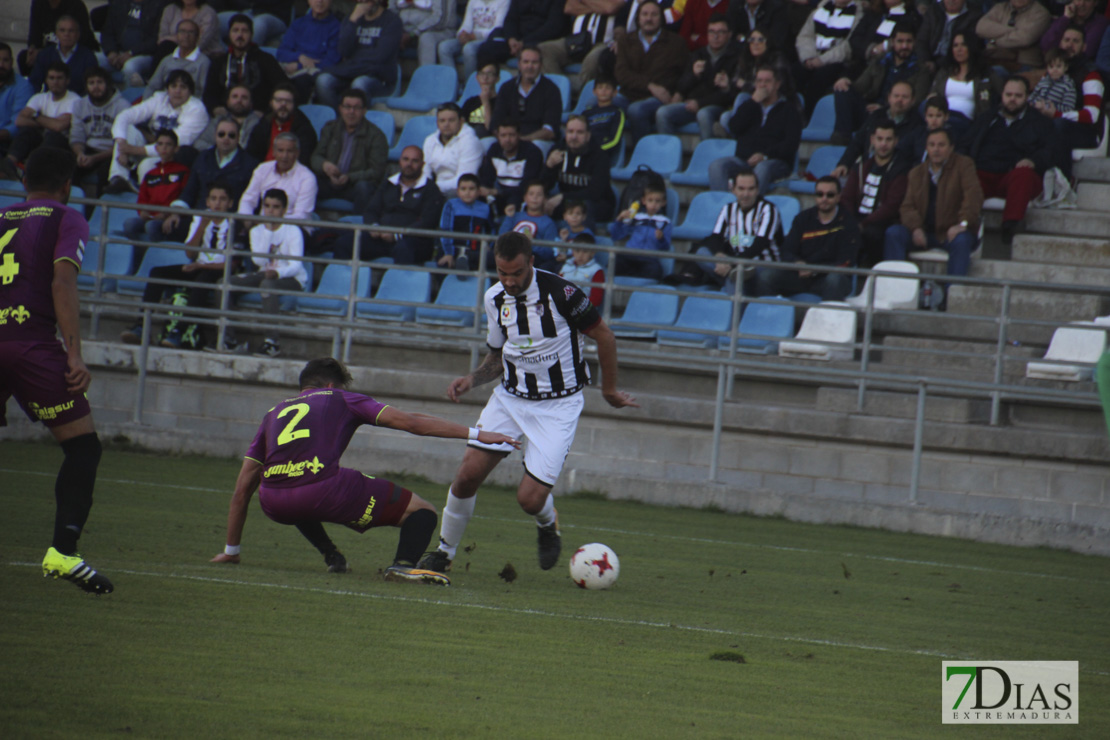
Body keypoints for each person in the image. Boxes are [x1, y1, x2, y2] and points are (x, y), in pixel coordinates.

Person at [416, 231, 638, 575]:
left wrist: (609, 392)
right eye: (502, 273)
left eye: (516, 273)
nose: (509, 281)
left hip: (558, 406)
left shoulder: (563, 293)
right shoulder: (494, 298)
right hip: (510, 399)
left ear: (531, 262)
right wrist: (472, 379)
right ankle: (444, 552)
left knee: (529, 500)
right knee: (466, 475)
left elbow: (605, 336)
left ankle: (548, 524)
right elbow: (497, 354)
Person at [210, 356, 521, 583]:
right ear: (332, 386)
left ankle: (332, 555)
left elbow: (242, 488)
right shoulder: (340, 398)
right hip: (323, 491)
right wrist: (479, 434)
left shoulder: (273, 412)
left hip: (274, 501)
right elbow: (411, 423)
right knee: (422, 512)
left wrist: (232, 548)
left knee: (296, 493)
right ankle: (402, 565)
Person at [0, 147, 113, 595]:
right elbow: (62, 282)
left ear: (24, 180)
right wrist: (74, 354)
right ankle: (63, 553)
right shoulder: (67, 216)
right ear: (67, 183)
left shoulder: (2, 217)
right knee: (83, 450)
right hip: (31, 345)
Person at [120, 181, 235, 348]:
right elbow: (190, 253)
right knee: (157, 273)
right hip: (198, 265)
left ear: (230, 203)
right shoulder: (200, 217)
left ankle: (178, 332)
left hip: (217, 270)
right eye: (213, 199)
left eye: (222, 199)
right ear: (207, 202)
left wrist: (201, 266)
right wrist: (202, 226)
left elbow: (231, 265)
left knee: (202, 280)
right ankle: (141, 325)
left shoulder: (234, 222)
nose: (217, 203)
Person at [960, 76, 1053, 245]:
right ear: (1002, 95)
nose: (1012, 99)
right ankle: (965, 229)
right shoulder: (987, 118)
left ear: (1026, 97)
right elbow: (965, 145)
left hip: (1013, 176)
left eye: (1018, 96)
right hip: (984, 173)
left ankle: (1010, 226)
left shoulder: (1040, 123)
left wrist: (1033, 161)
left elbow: (1051, 151)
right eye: (1008, 94)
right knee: (966, 178)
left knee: (1023, 174)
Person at [884, 128, 982, 280]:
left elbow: (973, 197)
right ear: (926, 148)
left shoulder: (964, 166)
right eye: (932, 145)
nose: (936, 150)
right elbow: (907, 206)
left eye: (941, 145)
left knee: (962, 241)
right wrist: (915, 228)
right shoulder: (916, 173)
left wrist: (962, 224)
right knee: (894, 233)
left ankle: (952, 294)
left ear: (951, 147)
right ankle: (897, 289)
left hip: (952, 233)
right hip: (924, 233)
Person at [225, 187, 307, 357]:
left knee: (267, 284)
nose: (270, 211)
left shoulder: (293, 230)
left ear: (284, 210)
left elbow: (296, 265)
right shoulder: (256, 231)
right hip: (266, 273)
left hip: (292, 278)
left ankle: (272, 342)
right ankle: (228, 339)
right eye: (267, 206)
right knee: (226, 284)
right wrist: (268, 231)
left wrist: (277, 273)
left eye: (276, 207)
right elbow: (258, 261)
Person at [670, 170, 784, 288]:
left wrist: (731, 263)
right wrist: (719, 256)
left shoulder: (768, 209)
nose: (746, 194)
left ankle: (731, 278)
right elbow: (716, 237)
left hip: (763, 266)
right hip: (735, 265)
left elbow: (760, 243)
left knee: (735, 279)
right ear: (733, 190)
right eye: (741, 189)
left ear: (757, 190)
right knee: (702, 252)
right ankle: (732, 276)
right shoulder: (728, 209)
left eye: (751, 189)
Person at [754, 175, 859, 299]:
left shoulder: (849, 223)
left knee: (834, 280)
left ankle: (826, 318)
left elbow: (846, 262)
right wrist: (797, 263)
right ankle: (771, 315)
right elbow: (786, 250)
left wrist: (814, 269)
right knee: (766, 277)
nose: (824, 199)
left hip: (830, 277)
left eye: (830, 195)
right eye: (820, 194)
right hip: (801, 276)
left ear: (838, 197)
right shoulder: (803, 218)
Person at [335, 145, 444, 263]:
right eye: (405, 159)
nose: (409, 164)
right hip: (380, 238)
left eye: (415, 161)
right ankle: (347, 280)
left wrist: (397, 235)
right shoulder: (388, 183)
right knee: (344, 243)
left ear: (422, 164)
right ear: (399, 161)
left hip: (412, 241)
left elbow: (427, 222)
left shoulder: (431, 189)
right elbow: (371, 210)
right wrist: (374, 228)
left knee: (404, 249)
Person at [106, 69, 208, 192]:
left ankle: (146, 197)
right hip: (150, 146)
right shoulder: (160, 98)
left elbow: (175, 143)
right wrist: (122, 146)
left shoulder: (197, 109)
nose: (177, 91)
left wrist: (134, 150)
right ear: (167, 89)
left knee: (146, 165)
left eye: (183, 87)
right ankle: (118, 178)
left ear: (190, 91)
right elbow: (124, 116)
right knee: (128, 130)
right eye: (173, 86)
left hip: (174, 155)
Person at [707, 65, 801, 194]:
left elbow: (791, 144)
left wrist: (765, 156)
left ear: (777, 84)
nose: (762, 85)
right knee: (717, 166)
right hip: (744, 161)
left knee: (762, 168)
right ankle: (724, 208)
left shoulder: (789, 110)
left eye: (767, 81)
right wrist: (753, 102)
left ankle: (752, 209)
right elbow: (734, 127)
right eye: (759, 81)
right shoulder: (749, 105)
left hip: (774, 162)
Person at [832, 22, 928, 140]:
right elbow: (860, 86)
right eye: (900, 41)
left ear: (914, 43)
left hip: (894, 115)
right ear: (892, 42)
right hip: (869, 111)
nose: (904, 46)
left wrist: (885, 108)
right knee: (843, 90)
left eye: (909, 42)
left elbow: (916, 100)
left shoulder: (921, 69)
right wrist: (845, 80)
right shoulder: (881, 61)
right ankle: (842, 137)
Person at [656, 14, 743, 141]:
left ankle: (707, 156)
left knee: (704, 114)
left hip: (718, 106)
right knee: (663, 113)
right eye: (711, 32)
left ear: (729, 34)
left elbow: (731, 94)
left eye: (720, 32)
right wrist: (693, 75)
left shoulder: (736, 57)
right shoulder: (698, 54)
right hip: (692, 104)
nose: (715, 36)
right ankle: (668, 154)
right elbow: (681, 86)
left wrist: (701, 103)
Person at [615, 0, 690, 143]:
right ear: (638, 18)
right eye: (645, 14)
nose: (649, 18)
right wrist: (650, 85)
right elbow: (622, 73)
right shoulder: (626, 40)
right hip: (629, 94)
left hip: (660, 97)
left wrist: (678, 93)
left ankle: (645, 155)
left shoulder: (676, 42)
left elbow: (683, 73)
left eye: (654, 14)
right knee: (599, 103)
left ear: (661, 18)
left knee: (636, 110)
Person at [838, 119, 909, 267]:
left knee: (871, 234)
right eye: (880, 139)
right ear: (872, 140)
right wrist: (852, 222)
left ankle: (869, 273)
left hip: (882, 223)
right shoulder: (861, 165)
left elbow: (891, 207)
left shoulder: (901, 168)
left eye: (888, 139)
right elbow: (847, 198)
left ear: (896, 141)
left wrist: (862, 224)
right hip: (858, 220)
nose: (883, 144)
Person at [315, 0, 402, 108]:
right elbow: (343, 51)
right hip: (351, 74)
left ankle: (360, 123)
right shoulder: (351, 18)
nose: (365, 2)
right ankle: (340, 119)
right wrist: (353, 20)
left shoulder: (392, 20)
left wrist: (354, 61)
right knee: (323, 81)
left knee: (359, 83)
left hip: (379, 78)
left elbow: (380, 56)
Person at [0, 64, 78, 180]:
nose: (55, 82)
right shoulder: (39, 98)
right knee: (26, 131)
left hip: (62, 144)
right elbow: (19, 120)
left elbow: (58, 126)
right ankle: (9, 164)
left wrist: (35, 116)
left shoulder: (75, 100)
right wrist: (47, 122)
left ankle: (29, 169)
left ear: (67, 80)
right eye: (51, 78)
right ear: (46, 80)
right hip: (40, 137)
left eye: (59, 78)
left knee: (53, 136)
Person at [311, 89, 388, 205]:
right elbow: (315, 157)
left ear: (364, 111)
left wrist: (349, 177)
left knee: (364, 188)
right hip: (329, 181)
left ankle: (359, 222)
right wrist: (324, 165)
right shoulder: (330, 128)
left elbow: (377, 171)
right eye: (347, 107)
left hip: (354, 186)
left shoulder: (376, 136)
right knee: (308, 180)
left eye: (356, 108)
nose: (351, 112)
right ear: (340, 109)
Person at [831, 79, 922, 177]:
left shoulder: (918, 124)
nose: (899, 100)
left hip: (896, 176)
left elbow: (916, 157)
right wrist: (844, 164)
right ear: (889, 98)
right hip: (867, 170)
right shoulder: (876, 115)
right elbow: (857, 142)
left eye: (905, 97)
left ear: (913, 101)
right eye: (896, 96)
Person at [202, 13, 287, 114]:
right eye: (235, 30)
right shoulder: (219, 62)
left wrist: (266, 112)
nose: (240, 35)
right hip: (225, 117)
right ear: (229, 34)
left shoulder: (266, 60)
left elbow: (282, 88)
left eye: (244, 31)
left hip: (258, 116)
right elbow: (209, 93)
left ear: (251, 34)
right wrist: (215, 108)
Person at [924, 32, 1001, 142]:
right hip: (940, 117)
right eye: (955, 45)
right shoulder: (945, 71)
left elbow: (1003, 92)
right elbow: (933, 94)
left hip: (964, 121)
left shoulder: (985, 73)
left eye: (963, 45)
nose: (959, 49)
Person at [540, 114, 615, 224]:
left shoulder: (600, 157)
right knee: (538, 203)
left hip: (596, 204)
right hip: (567, 202)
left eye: (579, 132)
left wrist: (563, 196)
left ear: (588, 136)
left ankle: (583, 239)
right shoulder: (557, 150)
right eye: (570, 132)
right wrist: (549, 166)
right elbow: (544, 185)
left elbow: (595, 193)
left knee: (582, 209)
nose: (574, 136)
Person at [795, 0, 864, 116]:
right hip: (812, 56)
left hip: (836, 61)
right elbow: (805, 36)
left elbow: (848, 46)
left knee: (820, 78)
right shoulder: (821, 8)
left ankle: (810, 116)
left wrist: (821, 60)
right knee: (794, 72)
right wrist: (808, 57)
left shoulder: (858, 14)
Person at [122, 129, 190, 245]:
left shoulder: (183, 171)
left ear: (176, 149)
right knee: (129, 224)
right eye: (160, 144)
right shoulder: (151, 174)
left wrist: (167, 214)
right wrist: (142, 211)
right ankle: (138, 258)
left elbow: (184, 197)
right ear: (156, 147)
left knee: (151, 226)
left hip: (167, 217)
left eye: (168, 144)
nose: (164, 148)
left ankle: (155, 256)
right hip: (149, 217)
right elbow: (142, 198)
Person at [536, 0, 630, 82]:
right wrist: (600, 7)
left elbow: (610, 8)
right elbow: (569, 8)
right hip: (576, 41)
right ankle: (558, 89)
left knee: (591, 62)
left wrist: (584, 3)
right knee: (544, 50)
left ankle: (583, 94)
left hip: (603, 43)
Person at [69, 68, 130, 191]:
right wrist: (80, 154)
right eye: (91, 83)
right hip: (88, 149)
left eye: (100, 82)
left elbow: (122, 144)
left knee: (104, 173)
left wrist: (95, 158)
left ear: (108, 84)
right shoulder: (79, 105)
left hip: (112, 152)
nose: (96, 87)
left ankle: (99, 209)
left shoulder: (123, 106)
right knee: (69, 168)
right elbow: (76, 136)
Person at [238, 132, 318, 225]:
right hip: (262, 227)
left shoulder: (307, 177)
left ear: (297, 153)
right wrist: (247, 220)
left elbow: (301, 217)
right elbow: (247, 200)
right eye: (281, 150)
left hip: (293, 229)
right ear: (274, 152)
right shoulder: (263, 169)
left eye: (289, 151)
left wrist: (269, 223)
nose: (284, 156)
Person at [490, 46, 562, 142]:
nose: (530, 66)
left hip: (537, 141)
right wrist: (507, 139)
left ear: (541, 65)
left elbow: (550, 131)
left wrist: (522, 140)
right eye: (526, 62)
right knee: (487, 142)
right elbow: (495, 123)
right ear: (519, 64)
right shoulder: (507, 88)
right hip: (508, 141)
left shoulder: (552, 90)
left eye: (534, 62)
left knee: (537, 145)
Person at [275, 0, 341, 104]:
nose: (320, 1)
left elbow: (331, 61)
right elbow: (281, 53)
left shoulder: (336, 27)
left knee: (302, 81)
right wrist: (299, 57)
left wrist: (299, 66)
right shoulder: (298, 23)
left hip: (314, 71)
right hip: (291, 66)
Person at [478, 120, 544, 217]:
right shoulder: (494, 150)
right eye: (503, 135)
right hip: (499, 194)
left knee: (515, 201)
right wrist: (484, 189)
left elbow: (527, 186)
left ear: (519, 135)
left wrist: (497, 192)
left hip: (521, 196)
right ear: (498, 136)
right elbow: (487, 178)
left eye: (511, 135)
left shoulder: (532, 152)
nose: (507, 140)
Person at [475, 0, 568, 68]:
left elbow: (553, 27)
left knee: (536, 51)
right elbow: (510, 20)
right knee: (486, 49)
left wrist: (524, 43)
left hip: (540, 41)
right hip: (516, 42)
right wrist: (511, 39)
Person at [245, 81, 317, 166]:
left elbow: (303, 160)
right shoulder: (263, 125)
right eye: (278, 100)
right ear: (271, 103)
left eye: (288, 101)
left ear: (294, 104)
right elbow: (251, 155)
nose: (283, 105)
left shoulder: (304, 128)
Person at [21, 0, 99, 78]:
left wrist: (44, 52)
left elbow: (82, 37)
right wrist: (33, 49)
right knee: (25, 58)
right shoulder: (38, 3)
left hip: (75, 50)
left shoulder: (76, 5)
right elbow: (34, 32)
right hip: (49, 48)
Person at [609, 185, 672, 281]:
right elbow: (616, 235)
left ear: (663, 203)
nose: (654, 204)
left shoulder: (665, 222)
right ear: (643, 201)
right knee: (614, 263)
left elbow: (665, 247)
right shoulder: (635, 217)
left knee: (655, 271)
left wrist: (661, 238)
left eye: (657, 201)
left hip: (649, 258)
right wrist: (619, 219)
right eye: (650, 200)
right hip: (630, 254)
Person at [438, 0, 511, 81]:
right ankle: (451, 84)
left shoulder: (504, 1)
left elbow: (498, 29)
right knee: (444, 47)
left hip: (487, 40)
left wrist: (475, 36)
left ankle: (470, 85)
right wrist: (462, 34)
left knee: (469, 49)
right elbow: (466, 25)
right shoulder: (473, 1)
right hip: (470, 37)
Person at [423, 102, 484, 198]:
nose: (446, 124)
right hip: (434, 190)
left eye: (451, 120)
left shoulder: (470, 142)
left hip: (461, 193)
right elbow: (425, 171)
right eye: (442, 121)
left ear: (461, 121)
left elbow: (464, 181)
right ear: (437, 123)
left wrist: (431, 187)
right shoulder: (430, 140)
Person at [101, 0, 168, 88]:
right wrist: (111, 52)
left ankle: (132, 99)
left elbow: (156, 39)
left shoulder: (159, 5)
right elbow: (107, 32)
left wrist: (132, 53)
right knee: (95, 60)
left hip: (145, 55)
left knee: (130, 67)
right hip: (118, 53)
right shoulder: (118, 3)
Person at [27, 15, 98, 96]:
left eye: (71, 31)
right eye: (62, 30)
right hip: (50, 103)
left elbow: (91, 86)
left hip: (78, 104)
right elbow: (34, 83)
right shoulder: (45, 54)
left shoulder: (88, 56)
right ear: (56, 33)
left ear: (78, 34)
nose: (66, 34)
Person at [498, 180, 560, 271]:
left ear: (545, 199)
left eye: (539, 195)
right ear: (525, 198)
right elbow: (501, 237)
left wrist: (532, 243)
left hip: (530, 257)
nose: (535, 198)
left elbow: (550, 252)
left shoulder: (548, 223)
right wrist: (509, 217)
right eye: (531, 194)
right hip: (508, 253)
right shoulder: (515, 216)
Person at [143, 19, 211, 101]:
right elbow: (152, 87)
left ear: (197, 37)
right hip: (164, 104)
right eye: (182, 31)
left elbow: (204, 93)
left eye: (191, 32)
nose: (186, 36)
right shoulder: (167, 60)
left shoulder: (204, 62)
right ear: (176, 35)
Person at [975, 0, 1050, 73]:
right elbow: (980, 28)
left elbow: (1024, 39)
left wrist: (994, 40)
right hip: (994, 58)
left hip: (1023, 64)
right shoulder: (1000, 8)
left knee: (994, 72)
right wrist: (1013, 30)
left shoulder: (1041, 13)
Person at [437, 172, 493, 270]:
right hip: (453, 249)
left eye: (471, 189)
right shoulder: (451, 205)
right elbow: (445, 229)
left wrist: (489, 245)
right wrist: (448, 253)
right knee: (444, 263)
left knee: (492, 261)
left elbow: (491, 229)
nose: (467, 192)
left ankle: (464, 265)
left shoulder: (485, 208)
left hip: (475, 252)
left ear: (479, 191)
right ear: (458, 191)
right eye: (463, 189)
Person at [914, 0, 980, 74]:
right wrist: (926, 61)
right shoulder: (933, 10)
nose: (951, 1)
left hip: (953, 64)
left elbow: (967, 48)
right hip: (928, 61)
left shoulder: (974, 16)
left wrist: (936, 65)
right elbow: (922, 40)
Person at [192, 83, 262, 150]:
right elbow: (199, 143)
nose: (239, 100)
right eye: (235, 96)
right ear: (228, 101)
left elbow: (249, 150)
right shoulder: (219, 119)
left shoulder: (257, 123)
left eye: (244, 97)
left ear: (251, 103)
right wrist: (220, 152)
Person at [394, 0, 457, 68]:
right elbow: (391, 9)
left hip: (438, 30)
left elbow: (441, 19)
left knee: (426, 38)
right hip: (403, 29)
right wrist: (396, 29)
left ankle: (426, 76)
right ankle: (386, 77)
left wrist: (413, 34)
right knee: (388, 35)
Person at [1042, 0, 1107, 62]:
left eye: (1087, 0)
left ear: (1095, 3)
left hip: (1082, 68)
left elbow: (1088, 52)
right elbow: (1046, 46)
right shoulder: (1064, 19)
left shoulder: (1100, 23)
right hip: (1056, 67)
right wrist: (1065, 18)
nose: (1081, 4)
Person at [156, 0, 222, 60]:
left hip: (205, 54)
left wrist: (174, 38)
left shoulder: (208, 13)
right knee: (165, 46)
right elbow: (161, 39)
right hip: (173, 51)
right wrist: (187, 36)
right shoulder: (170, 10)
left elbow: (201, 42)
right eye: (182, 32)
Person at [581, 75, 625, 164]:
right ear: (594, 91)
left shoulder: (617, 113)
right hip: (583, 151)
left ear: (615, 92)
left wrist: (596, 150)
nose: (603, 91)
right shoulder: (586, 113)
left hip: (602, 154)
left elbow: (615, 140)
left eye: (608, 88)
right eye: (600, 87)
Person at [0, 44, 35, 157]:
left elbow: (17, 124)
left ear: (12, 62)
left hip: (6, 143)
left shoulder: (23, 87)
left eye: (5, 60)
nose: (1, 65)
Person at [559, 232, 605, 307]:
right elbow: (557, 287)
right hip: (563, 306)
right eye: (577, 251)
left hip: (583, 310)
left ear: (592, 253)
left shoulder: (596, 270)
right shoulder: (566, 266)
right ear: (573, 251)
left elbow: (596, 299)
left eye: (585, 251)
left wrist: (578, 305)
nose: (580, 255)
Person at [1030, 50, 1078, 116]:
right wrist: (1034, 104)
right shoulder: (1043, 81)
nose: (1055, 70)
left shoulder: (1068, 85)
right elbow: (1032, 96)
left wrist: (1047, 106)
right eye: (1051, 67)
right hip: (1035, 112)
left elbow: (1068, 108)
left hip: (1052, 116)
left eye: (1058, 66)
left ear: (1066, 67)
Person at [460, 62, 500, 139]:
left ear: (497, 78)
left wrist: (485, 102)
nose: (485, 78)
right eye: (482, 74)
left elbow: (492, 130)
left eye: (490, 74)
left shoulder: (501, 102)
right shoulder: (470, 102)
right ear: (477, 77)